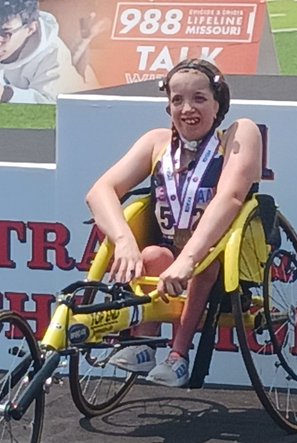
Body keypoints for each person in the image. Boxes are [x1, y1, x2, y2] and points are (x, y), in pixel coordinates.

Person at [84, 59, 262, 387]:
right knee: (152, 255)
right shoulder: (157, 143)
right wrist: (124, 241)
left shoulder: (239, 135)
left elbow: (231, 197)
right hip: (168, 257)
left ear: (218, 104)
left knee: (204, 266)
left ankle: (179, 355)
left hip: (218, 260)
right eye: (177, 100)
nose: (187, 109)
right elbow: (100, 191)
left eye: (199, 98)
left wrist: (189, 259)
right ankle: (144, 344)